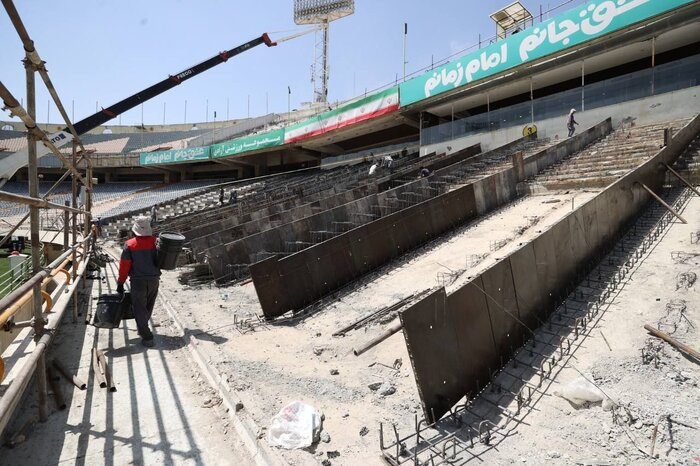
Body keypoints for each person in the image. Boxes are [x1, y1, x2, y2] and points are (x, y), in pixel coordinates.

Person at [116, 216, 161, 348]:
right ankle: (142, 328)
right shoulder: (156, 242)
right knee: (148, 305)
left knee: (139, 307)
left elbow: (124, 265)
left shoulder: (130, 244)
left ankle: (147, 336)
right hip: (154, 279)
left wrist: (120, 282)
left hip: (138, 281)